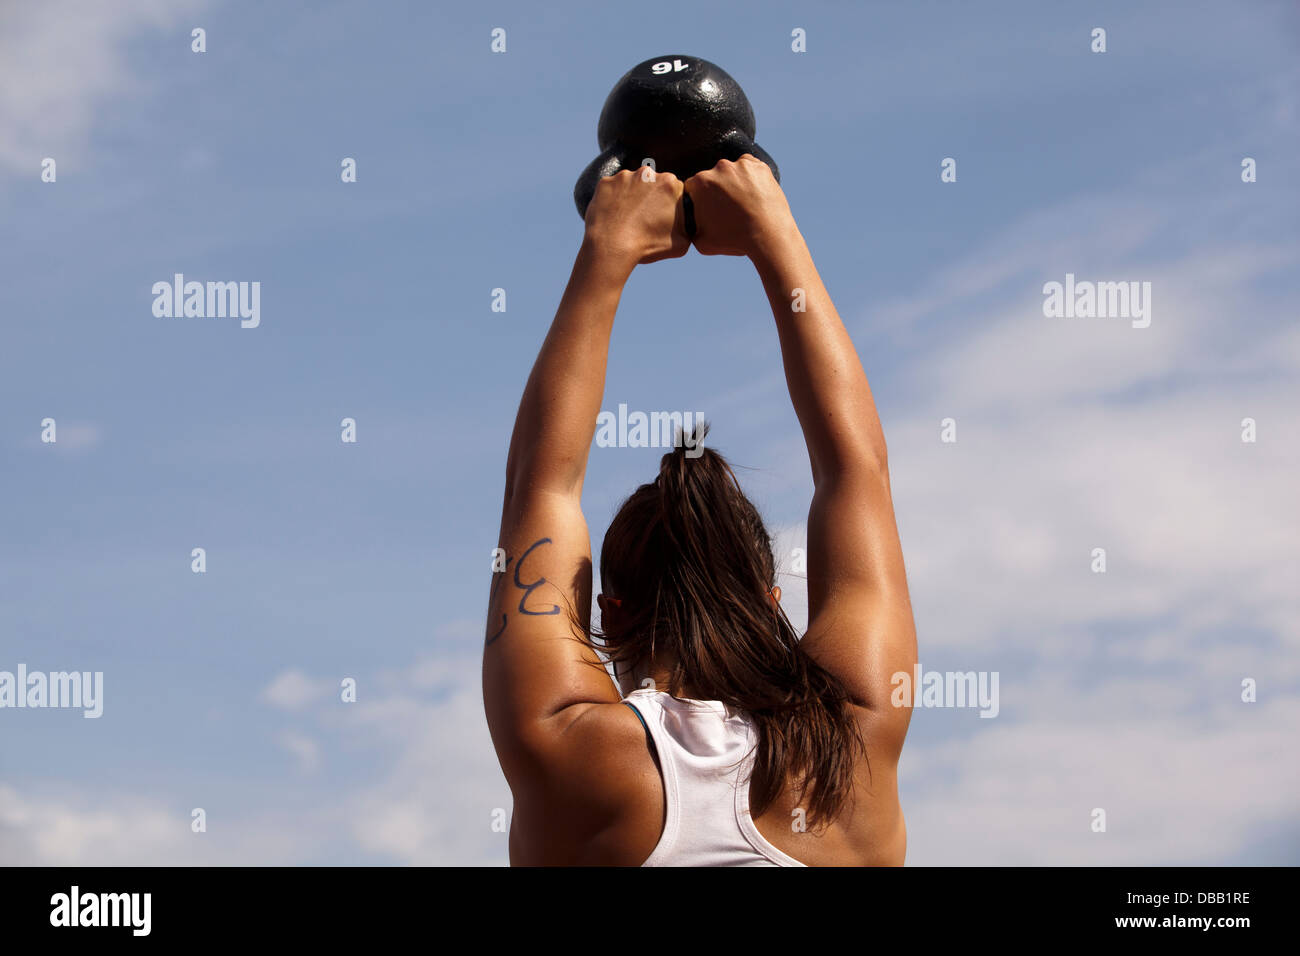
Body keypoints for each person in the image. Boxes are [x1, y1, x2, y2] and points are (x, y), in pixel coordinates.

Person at [483, 155, 916, 866]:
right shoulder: (851, 748)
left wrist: (608, 250)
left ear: (610, 612)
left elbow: (540, 487)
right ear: (771, 601)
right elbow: (856, 472)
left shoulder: (569, 750)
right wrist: (771, 231)